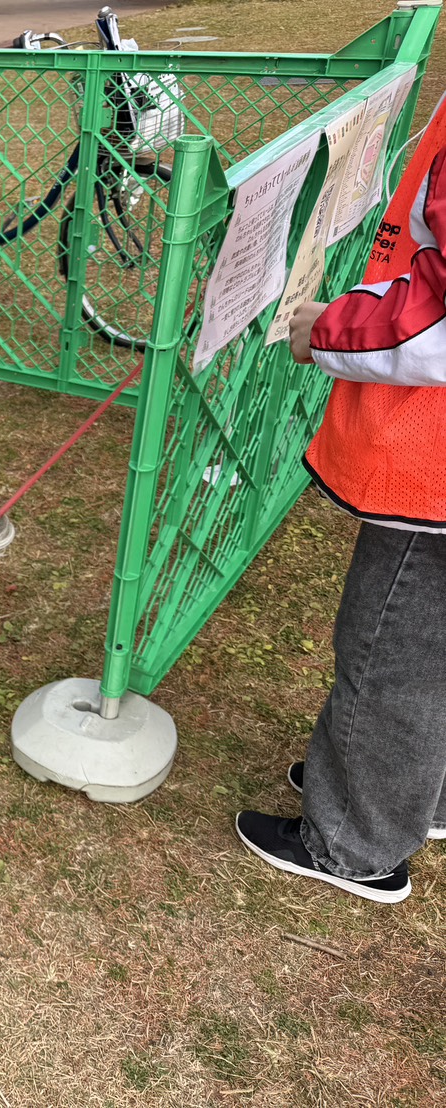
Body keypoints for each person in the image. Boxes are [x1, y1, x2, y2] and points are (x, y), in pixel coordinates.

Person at [233, 148, 446, 906]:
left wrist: (328, 329)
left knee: (391, 651)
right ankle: (412, 793)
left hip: (433, 470)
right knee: (429, 654)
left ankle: (354, 841)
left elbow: (435, 312)